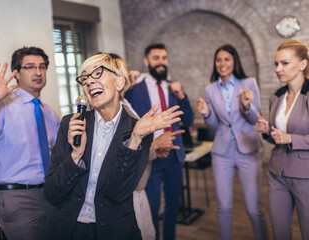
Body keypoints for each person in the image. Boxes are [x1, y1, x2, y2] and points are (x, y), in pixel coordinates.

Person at [43, 53, 183, 240]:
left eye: (97, 73)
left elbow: (116, 193)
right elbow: (52, 192)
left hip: (113, 231)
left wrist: (134, 141)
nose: (89, 82)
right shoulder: (72, 124)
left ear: (119, 82)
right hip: (67, 229)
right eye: (84, 78)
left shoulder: (138, 130)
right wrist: (75, 156)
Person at [0, 47, 60, 240]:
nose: (38, 72)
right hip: (16, 197)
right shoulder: (1, 107)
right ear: (16, 73)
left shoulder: (49, 113)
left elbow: (58, 154)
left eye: (42, 67)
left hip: (48, 193)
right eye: (30, 67)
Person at [196, 44, 268, 240]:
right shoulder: (210, 89)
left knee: (254, 209)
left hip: (247, 148)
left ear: (234, 61)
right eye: (218, 60)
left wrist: (247, 106)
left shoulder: (248, 83)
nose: (222, 63)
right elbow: (213, 124)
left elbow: (255, 119)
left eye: (227, 59)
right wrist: (206, 113)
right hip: (222, 152)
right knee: (224, 207)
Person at [125, 43, 194, 240]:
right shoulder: (135, 90)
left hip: (174, 155)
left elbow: (188, 120)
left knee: (173, 204)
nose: (161, 62)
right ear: (147, 61)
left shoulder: (173, 88)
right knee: (152, 206)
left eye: (164, 58)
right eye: (156, 58)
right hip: (150, 157)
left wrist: (182, 96)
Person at [256, 39, 309, 240]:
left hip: (306, 177)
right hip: (276, 174)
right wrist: (267, 131)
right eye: (276, 64)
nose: (278, 69)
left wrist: (290, 138)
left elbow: (288, 138)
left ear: (302, 64)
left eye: (284, 63)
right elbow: (278, 138)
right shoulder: (276, 96)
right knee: (279, 233)